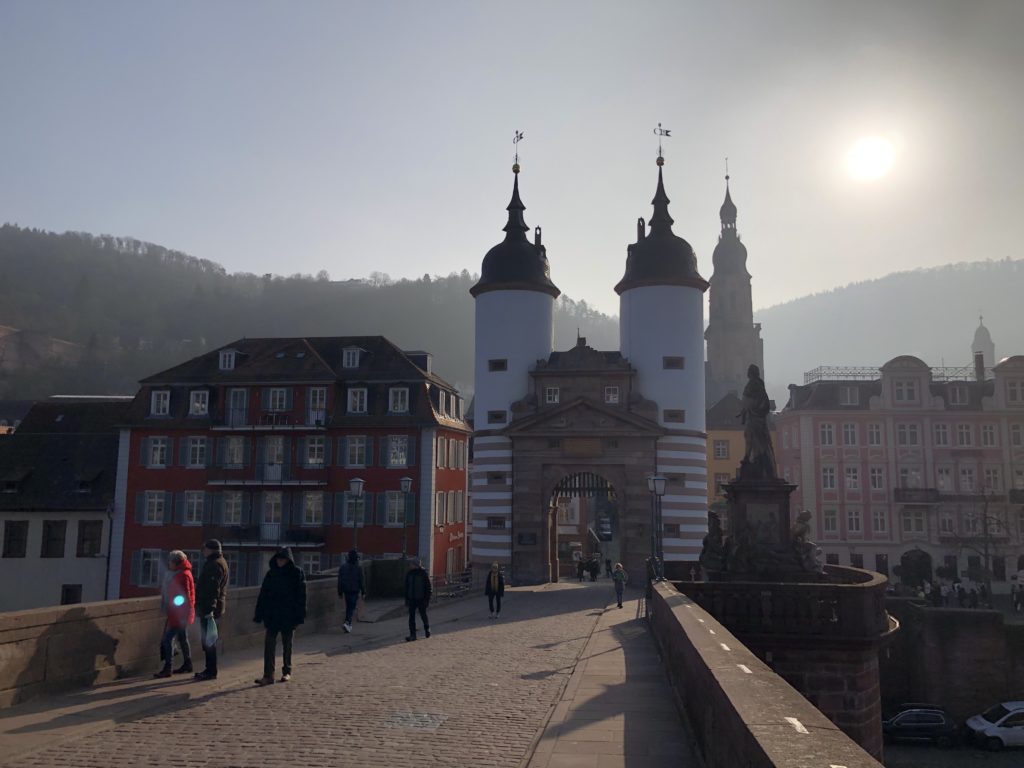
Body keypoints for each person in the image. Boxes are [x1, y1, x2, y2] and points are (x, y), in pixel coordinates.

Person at [253, 547, 307, 685]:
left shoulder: (296, 573)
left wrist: (299, 615)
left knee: (287, 645)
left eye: (282, 559)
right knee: (269, 645)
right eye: (278, 558)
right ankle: (268, 675)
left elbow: (301, 596)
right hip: (272, 614)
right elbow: (263, 594)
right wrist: (259, 614)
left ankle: (287, 671)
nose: (280, 561)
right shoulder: (271, 573)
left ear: (288, 560)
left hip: (289, 614)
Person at [154, 550, 195, 678]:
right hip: (180, 613)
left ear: (175, 562)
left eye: (170, 562)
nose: (168, 564)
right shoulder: (182, 573)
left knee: (167, 640)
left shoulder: (182, 575)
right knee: (182, 639)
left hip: (178, 614)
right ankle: (188, 663)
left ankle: (168, 668)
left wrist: (175, 605)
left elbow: (185, 597)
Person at [193, 539, 229, 681]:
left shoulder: (214, 565)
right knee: (209, 641)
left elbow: (212, 589)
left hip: (210, 609)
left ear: (211, 550)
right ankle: (209, 669)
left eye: (205, 549)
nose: (203, 551)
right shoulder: (220, 562)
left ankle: (210, 671)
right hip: (214, 607)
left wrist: (209, 610)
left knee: (209, 642)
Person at [404, 558, 432, 641]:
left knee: (423, 615)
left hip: (421, 599)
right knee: (411, 617)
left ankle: (427, 629)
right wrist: (407, 599)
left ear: (415, 565)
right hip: (412, 599)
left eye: (411, 564)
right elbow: (406, 587)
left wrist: (427, 599)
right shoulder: (409, 574)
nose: (410, 566)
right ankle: (413, 635)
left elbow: (428, 587)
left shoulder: (423, 574)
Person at [337, 549, 364, 633]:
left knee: (349, 606)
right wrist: (364, 591)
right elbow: (362, 580)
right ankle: (347, 622)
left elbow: (340, 580)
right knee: (351, 607)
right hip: (354, 590)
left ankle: (347, 622)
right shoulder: (358, 568)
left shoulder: (343, 567)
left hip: (346, 590)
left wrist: (340, 591)